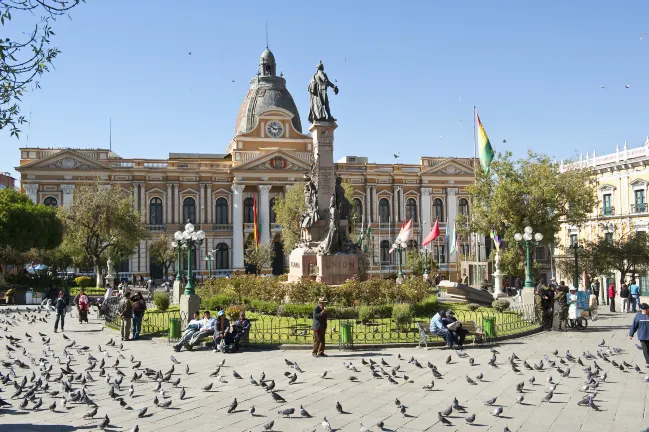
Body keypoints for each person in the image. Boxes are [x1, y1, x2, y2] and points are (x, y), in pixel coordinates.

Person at [629, 303, 649, 367]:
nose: (647, 311)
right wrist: (631, 334)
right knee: (645, 350)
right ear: (643, 310)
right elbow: (634, 326)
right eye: (646, 310)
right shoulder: (638, 316)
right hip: (642, 336)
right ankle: (648, 362)